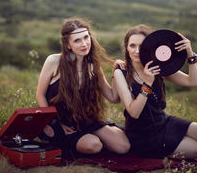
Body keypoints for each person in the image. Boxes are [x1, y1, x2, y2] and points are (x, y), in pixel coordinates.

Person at [36, 17, 130, 157]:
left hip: (86, 120)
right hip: (62, 123)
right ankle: (75, 140)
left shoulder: (93, 66)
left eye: (86, 37)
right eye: (77, 40)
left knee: (124, 147)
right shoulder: (54, 61)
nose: (84, 43)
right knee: (94, 145)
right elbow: (40, 95)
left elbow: (113, 97)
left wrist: (116, 72)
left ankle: (96, 133)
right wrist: (52, 121)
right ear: (68, 45)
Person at [114, 24, 197, 159]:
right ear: (126, 48)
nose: (136, 51)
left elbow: (192, 82)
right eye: (132, 46)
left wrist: (190, 54)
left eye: (141, 46)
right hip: (144, 136)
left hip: (165, 122)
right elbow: (134, 113)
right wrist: (147, 82)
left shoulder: (159, 67)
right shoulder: (121, 73)